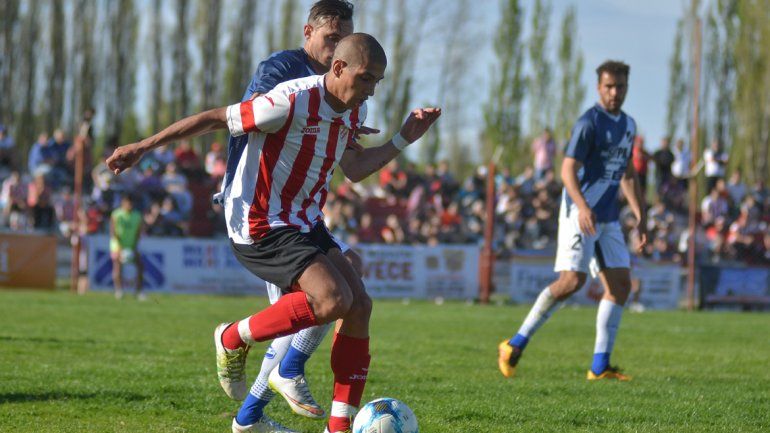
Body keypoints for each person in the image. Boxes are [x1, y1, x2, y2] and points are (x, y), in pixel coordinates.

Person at [106, 33, 441, 433]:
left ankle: (337, 427)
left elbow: (354, 169)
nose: (371, 89)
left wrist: (404, 138)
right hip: (260, 222)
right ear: (338, 68)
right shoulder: (291, 99)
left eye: (377, 81)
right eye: (366, 78)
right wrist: (144, 146)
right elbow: (216, 118)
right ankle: (234, 337)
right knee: (332, 298)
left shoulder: (354, 109)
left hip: (305, 222)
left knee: (359, 306)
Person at [218, 2, 370, 431]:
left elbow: (351, 164)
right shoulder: (282, 69)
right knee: (313, 306)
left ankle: (253, 412)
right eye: (329, 38)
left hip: (300, 213)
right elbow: (249, 119)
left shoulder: (342, 91)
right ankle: (255, 387)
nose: (335, 48)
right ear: (308, 33)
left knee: (338, 290)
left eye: (343, 40)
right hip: (261, 210)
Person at [498, 60, 647, 382]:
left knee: (620, 286)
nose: (614, 92)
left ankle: (599, 366)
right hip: (579, 212)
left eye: (620, 86)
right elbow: (567, 170)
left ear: (626, 88)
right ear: (599, 87)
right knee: (571, 282)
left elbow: (628, 173)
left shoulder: (629, 125)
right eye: (609, 86)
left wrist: (640, 215)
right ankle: (514, 343)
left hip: (607, 216)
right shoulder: (588, 123)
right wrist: (582, 207)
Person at [110, 194, 144, 300]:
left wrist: (134, 246)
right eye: (127, 203)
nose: (129, 205)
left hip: (131, 245)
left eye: (131, 203)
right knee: (118, 267)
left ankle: (138, 291)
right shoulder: (117, 214)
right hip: (117, 245)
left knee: (140, 266)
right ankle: (119, 291)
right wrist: (119, 247)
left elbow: (138, 233)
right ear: (123, 203)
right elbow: (113, 231)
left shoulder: (137, 216)